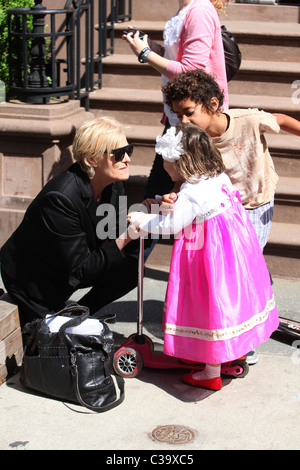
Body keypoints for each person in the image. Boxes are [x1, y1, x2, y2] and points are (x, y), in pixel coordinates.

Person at [129, 125, 279, 391]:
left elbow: (171, 225)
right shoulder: (216, 178)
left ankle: (210, 372)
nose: (164, 168)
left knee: (211, 305)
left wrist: (142, 220)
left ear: (181, 163)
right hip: (234, 251)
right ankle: (235, 351)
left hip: (208, 255)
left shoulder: (191, 194)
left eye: (167, 164)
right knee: (232, 300)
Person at [0, 117, 143, 328]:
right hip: (33, 281)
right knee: (46, 341)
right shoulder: (60, 198)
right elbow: (82, 268)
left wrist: (146, 212)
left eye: (128, 150)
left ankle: (76, 315)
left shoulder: (114, 184)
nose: (127, 159)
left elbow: (111, 234)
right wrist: (127, 235)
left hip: (70, 268)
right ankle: (65, 319)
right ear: (92, 160)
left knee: (131, 268)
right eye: (119, 154)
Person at [162, 68, 300, 252]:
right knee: (229, 261)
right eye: (179, 116)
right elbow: (182, 179)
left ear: (212, 104)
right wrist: (174, 195)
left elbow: (280, 120)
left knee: (249, 258)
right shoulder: (188, 141)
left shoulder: (247, 120)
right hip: (219, 209)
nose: (184, 121)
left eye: (189, 112)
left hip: (255, 202)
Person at [122, 0, 229, 198]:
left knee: (168, 190)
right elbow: (176, 59)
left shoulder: (199, 10)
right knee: (163, 192)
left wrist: (145, 54)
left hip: (196, 117)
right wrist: (151, 47)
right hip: (179, 115)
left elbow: (190, 70)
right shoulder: (184, 11)